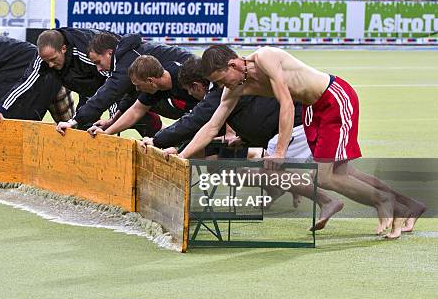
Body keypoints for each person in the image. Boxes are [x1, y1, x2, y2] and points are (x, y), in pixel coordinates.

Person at [174, 45, 425, 238]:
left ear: (233, 64)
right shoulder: (234, 88)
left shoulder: (265, 58)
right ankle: (409, 204)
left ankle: (386, 201)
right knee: (343, 172)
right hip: (312, 109)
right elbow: (211, 127)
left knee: (326, 177)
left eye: (220, 79)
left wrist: (280, 151)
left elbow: (285, 102)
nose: (220, 86)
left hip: (334, 98)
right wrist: (181, 157)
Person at [140, 57, 343, 230]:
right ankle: (285, 188)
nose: (191, 96)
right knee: (228, 167)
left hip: (291, 127)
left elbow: (197, 122)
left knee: (271, 171)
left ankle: (326, 199)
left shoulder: (221, 90)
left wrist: (166, 144)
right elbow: (206, 126)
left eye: (190, 91)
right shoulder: (227, 86)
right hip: (268, 132)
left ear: (198, 85)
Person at [55, 33, 195, 135]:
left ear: (109, 53)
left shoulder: (126, 63)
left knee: (196, 125)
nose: (98, 69)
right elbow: (132, 102)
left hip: (194, 83)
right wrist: (111, 123)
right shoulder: (127, 58)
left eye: (98, 62)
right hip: (181, 87)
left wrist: (73, 121)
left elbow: (108, 93)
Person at [0, 27, 112, 126]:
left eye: (53, 59)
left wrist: (113, 119)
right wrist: (1, 110)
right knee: (83, 125)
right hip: (84, 86)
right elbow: (26, 83)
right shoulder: (43, 58)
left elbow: (113, 82)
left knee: (118, 121)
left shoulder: (86, 51)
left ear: (63, 49)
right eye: (47, 61)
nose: (50, 65)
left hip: (114, 76)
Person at [87, 55, 198, 137]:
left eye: (138, 85)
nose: (137, 89)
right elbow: (135, 111)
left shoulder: (185, 81)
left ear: (150, 80)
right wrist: (107, 131)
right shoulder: (157, 84)